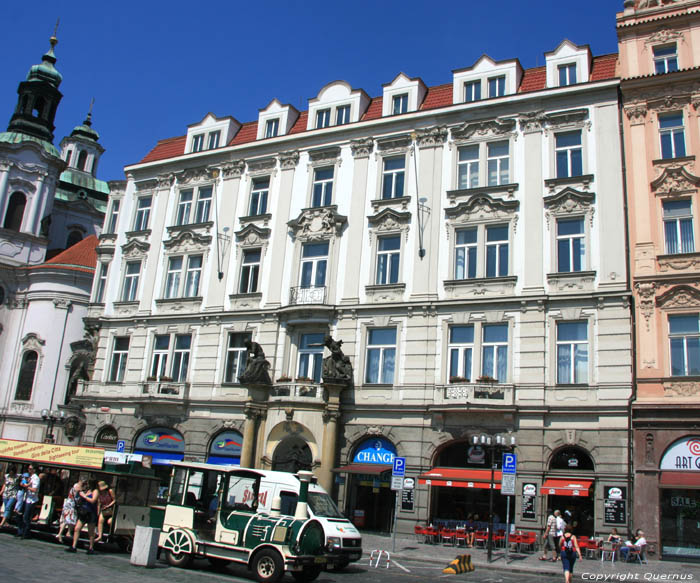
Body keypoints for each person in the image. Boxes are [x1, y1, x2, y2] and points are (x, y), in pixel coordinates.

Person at [66, 479, 98, 554]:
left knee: (90, 531)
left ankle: (91, 547)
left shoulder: (95, 491)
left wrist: (85, 496)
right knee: (77, 528)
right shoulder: (86, 490)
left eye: (88, 483)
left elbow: (93, 500)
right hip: (83, 512)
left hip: (91, 512)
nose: (87, 485)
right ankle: (74, 546)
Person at [16, 465, 40, 538]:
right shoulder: (28, 476)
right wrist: (23, 483)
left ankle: (26, 533)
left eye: (30, 469)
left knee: (26, 517)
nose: (29, 470)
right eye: (28, 469)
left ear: (34, 470)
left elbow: (35, 489)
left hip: (31, 500)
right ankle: (20, 531)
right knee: (18, 514)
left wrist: (27, 486)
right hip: (25, 498)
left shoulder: (36, 478)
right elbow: (22, 483)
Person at [0, 465, 19, 529]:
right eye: (10, 471)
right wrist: (2, 491)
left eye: (12, 472)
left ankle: (1, 523)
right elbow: (5, 484)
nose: (11, 473)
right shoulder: (6, 476)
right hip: (6, 494)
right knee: (6, 508)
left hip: (13, 494)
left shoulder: (17, 477)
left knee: (8, 507)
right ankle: (6, 521)